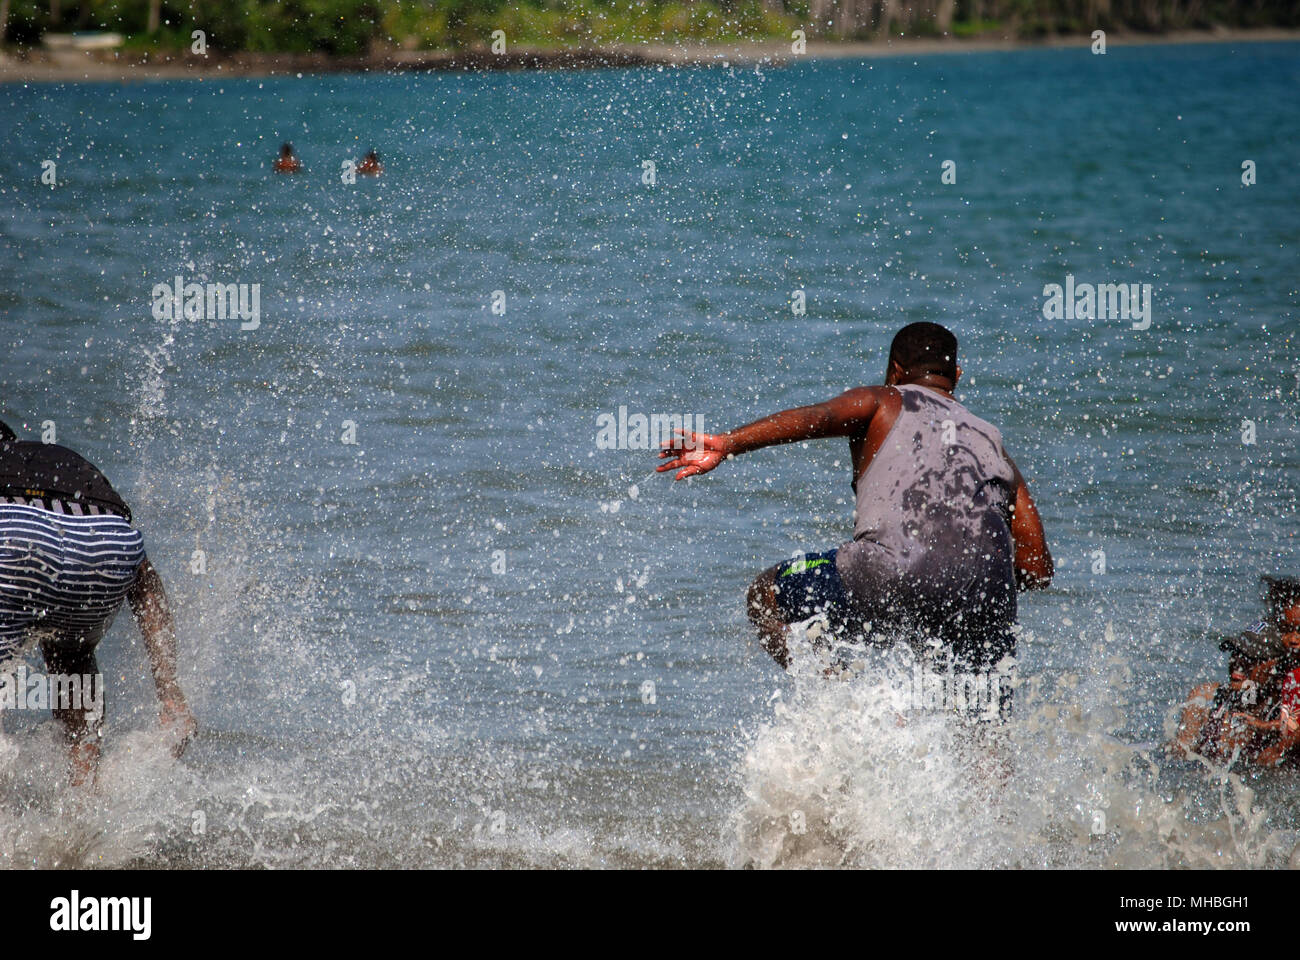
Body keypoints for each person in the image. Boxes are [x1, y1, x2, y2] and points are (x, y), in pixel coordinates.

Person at [657, 322, 1053, 721]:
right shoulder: (992, 441)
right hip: (986, 598)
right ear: (957, 376)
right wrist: (957, 581)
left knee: (765, 597)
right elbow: (1037, 568)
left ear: (895, 370)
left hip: (892, 572)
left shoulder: (884, 400)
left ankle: (849, 707)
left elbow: (818, 416)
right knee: (983, 739)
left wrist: (728, 443)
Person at [0, 419, 196, 787]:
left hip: (17, 537)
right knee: (71, 651)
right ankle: (169, 707)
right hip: (109, 547)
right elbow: (144, 576)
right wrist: (167, 684)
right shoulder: (56, 457)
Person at [1177, 577, 1300, 767]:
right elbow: (1175, 758)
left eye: (1249, 660)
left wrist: (1270, 734)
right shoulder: (1207, 701)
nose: (1237, 671)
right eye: (1236, 656)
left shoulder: (1287, 703)